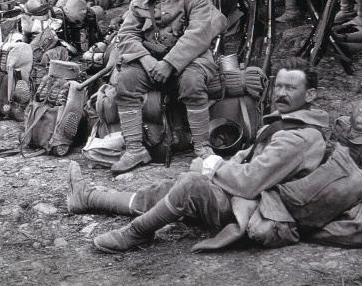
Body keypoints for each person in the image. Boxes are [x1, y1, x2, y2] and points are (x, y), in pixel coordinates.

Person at [66, 57, 330, 254]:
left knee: (191, 185)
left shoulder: (300, 138)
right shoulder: (288, 123)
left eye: (291, 88)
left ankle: (138, 233)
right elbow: (248, 158)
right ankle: (88, 198)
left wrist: (209, 165)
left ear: (311, 95)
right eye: (280, 86)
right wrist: (215, 168)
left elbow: (251, 181)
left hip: (256, 210)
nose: (282, 94)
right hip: (247, 196)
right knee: (173, 187)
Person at [108, 0, 227, 173]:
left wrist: (169, 63)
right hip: (151, 60)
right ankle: (135, 150)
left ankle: (202, 147)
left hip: (192, 57)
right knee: (126, 81)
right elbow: (127, 35)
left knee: (192, 81)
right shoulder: (141, 0)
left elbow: (198, 34)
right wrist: (147, 61)